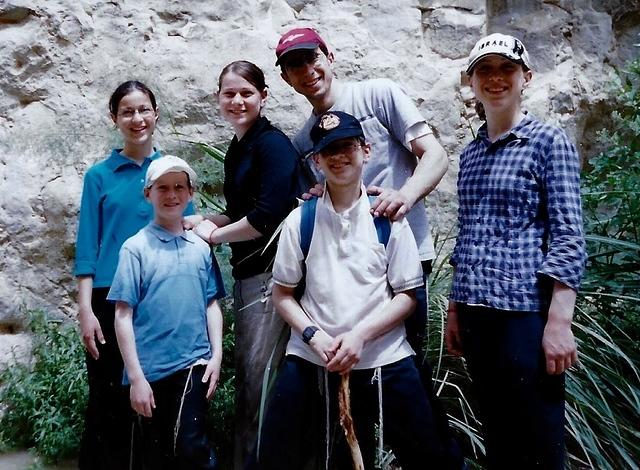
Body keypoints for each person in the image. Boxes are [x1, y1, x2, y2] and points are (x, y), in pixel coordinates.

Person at [274, 26, 461, 463]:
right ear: (286, 78)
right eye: (294, 66)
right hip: (345, 277)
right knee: (347, 403)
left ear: (329, 55)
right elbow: (315, 202)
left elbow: (434, 155)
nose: (307, 71)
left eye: (311, 58)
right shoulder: (305, 140)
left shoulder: (378, 95)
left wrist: (405, 196)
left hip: (402, 260)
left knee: (405, 383)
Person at [446, 33, 587, 469]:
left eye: (506, 69)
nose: (495, 79)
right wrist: (454, 308)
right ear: (470, 81)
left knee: (540, 439)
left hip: (525, 314)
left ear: (525, 77)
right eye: (484, 70)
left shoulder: (548, 142)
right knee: (499, 436)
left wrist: (559, 321)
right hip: (475, 313)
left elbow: (569, 234)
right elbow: (467, 232)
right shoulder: (470, 155)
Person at [74, 80, 193, 469]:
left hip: (160, 299)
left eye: (144, 110)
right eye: (127, 111)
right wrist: (86, 309)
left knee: (156, 394)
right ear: (114, 119)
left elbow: (186, 230)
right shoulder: (99, 176)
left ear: (155, 115)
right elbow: (88, 246)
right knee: (108, 397)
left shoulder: (171, 174)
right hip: (110, 298)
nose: (137, 118)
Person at [187, 60, 300, 469]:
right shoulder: (239, 146)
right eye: (229, 93)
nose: (237, 101)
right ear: (217, 97)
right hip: (249, 277)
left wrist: (215, 235)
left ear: (264, 97)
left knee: (259, 381)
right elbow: (240, 211)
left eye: (246, 93)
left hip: (271, 279)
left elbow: (267, 216)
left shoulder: (271, 145)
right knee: (251, 381)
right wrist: (202, 220)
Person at [109, 155, 225, 469]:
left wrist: (216, 356)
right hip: (150, 370)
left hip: (194, 363)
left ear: (190, 194)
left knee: (192, 447)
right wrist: (135, 378)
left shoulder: (200, 247)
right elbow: (123, 315)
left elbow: (211, 303)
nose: (171, 194)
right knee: (156, 455)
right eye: (162, 188)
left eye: (179, 187)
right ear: (148, 193)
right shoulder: (135, 249)